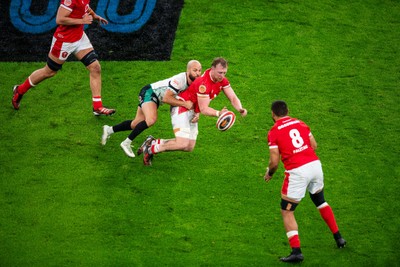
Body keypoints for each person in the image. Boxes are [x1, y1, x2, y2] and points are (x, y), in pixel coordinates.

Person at [264, 100, 346, 263]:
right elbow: (313, 145)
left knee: (287, 211)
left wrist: (270, 173)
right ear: (288, 110)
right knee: (320, 201)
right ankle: (339, 238)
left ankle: (296, 251)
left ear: (273, 114)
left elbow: (274, 161)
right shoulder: (300, 123)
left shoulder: (274, 131)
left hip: (297, 172)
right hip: (315, 166)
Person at [12, 0, 115, 116]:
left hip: (79, 38)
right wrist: (82, 21)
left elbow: (85, 6)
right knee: (49, 72)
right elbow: (60, 19)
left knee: (95, 67)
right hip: (64, 41)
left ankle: (97, 106)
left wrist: (95, 16)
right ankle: (20, 90)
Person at [141, 57, 248, 165]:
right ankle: (151, 148)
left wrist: (240, 108)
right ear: (212, 69)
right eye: (220, 72)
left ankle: (154, 142)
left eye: (224, 73)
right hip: (182, 108)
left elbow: (233, 97)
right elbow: (204, 109)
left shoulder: (222, 80)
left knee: (189, 146)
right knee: (182, 143)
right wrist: (219, 113)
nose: (222, 75)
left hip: (192, 109)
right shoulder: (204, 84)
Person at [101, 60, 202, 158]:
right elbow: (166, 98)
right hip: (149, 93)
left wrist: (197, 113)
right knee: (151, 119)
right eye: (195, 70)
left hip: (155, 98)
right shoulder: (180, 80)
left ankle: (109, 130)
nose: (198, 73)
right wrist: (184, 104)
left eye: (199, 70)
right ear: (188, 70)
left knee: (136, 124)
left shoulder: (194, 83)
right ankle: (126, 142)